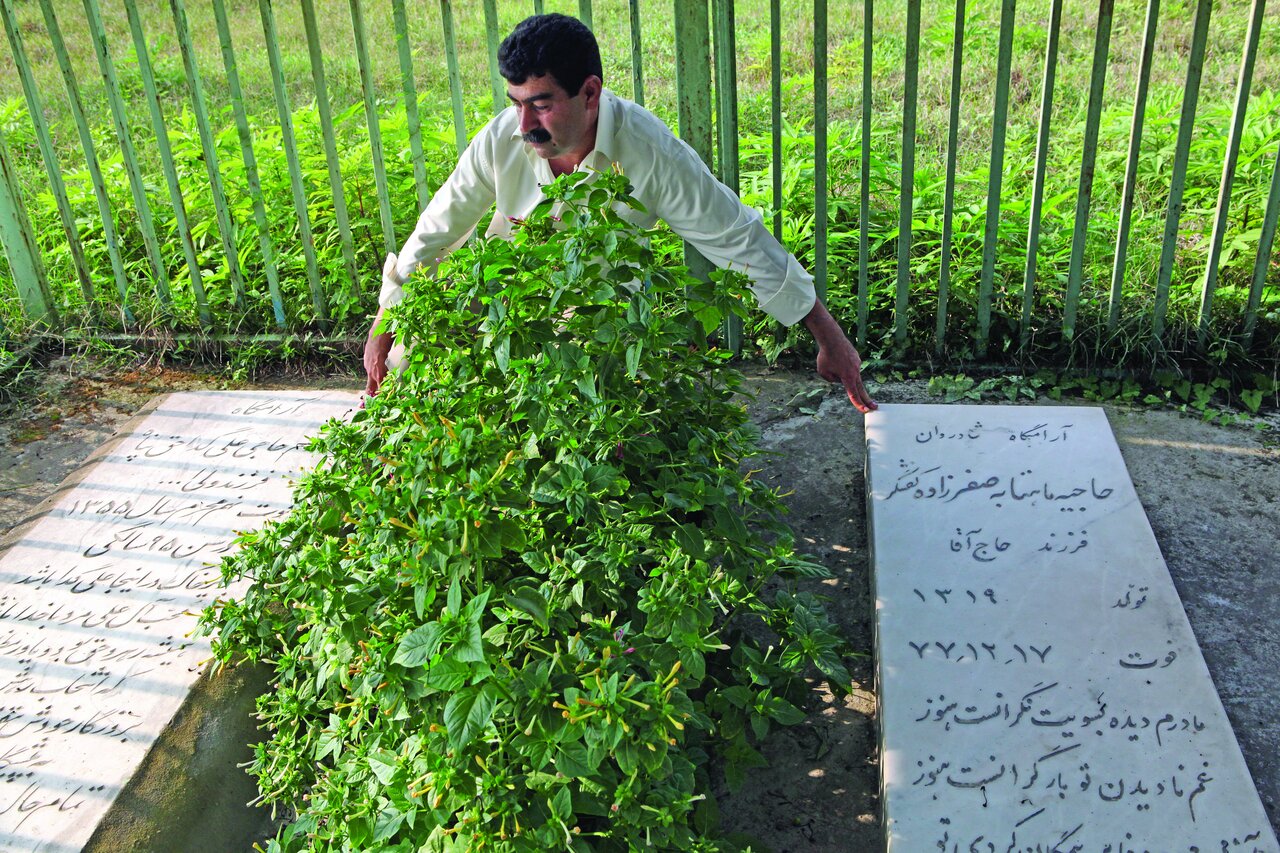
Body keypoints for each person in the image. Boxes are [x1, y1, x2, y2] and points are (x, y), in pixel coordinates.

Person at [364, 13, 877, 413]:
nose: (523, 123)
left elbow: (735, 236)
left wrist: (828, 335)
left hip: (603, 319)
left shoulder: (650, 152)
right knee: (411, 364)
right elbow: (438, 229)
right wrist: (389, 316)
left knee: (611, 427)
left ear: (590, 92)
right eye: (515, 102)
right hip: (505, 299)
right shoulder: (501, 138)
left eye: (540, 104)